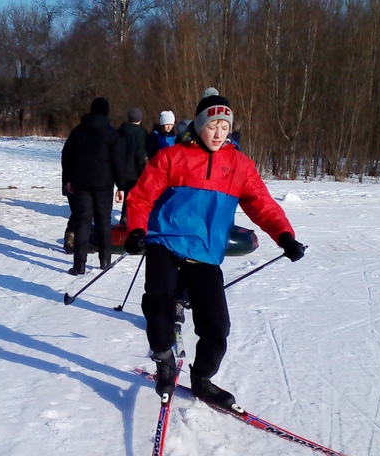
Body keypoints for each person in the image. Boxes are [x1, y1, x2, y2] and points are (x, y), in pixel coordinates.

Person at [123, 93, 305, 407]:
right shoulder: (172, 156)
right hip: (165, 240)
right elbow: (141, 197)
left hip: (205, 251)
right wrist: (137, 229)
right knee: (159, 301)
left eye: (224, 126)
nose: (218, 133)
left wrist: (285, 236)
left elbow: (262, 204)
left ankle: (202, 378)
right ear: (198, 125)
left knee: (217, 325)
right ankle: (164, 359)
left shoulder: (239, 166)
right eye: (212, 125)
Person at [61, 97, 126, 275]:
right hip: (104, 185)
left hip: (81, 184)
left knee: (83, 221)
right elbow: (119, 162)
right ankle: (105, 261)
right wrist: (121, 186)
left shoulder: (78, 132)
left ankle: (79, 265)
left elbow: (66, 156)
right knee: (103, 221)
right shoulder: (111, 134)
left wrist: (68, 179)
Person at [116, 107, 148, 225]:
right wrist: (142, 170)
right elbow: (140, 154)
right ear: (139, 119)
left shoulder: (120, 131)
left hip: (120, 169)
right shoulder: (141, 133)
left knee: (124, 195)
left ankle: (124, 217)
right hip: (134, 171)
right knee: (134, 196)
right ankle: (130, 219)